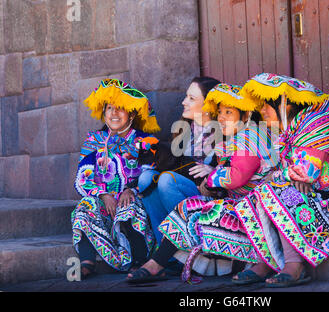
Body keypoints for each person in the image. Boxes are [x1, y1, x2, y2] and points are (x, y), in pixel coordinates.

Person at [126, 83, 278, 284]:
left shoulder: (250, 137)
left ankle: (158, 263)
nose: (221, 118)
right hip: (239, 206)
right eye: (220, 112)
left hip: (252, 214)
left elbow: (237, 177)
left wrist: (212, 177)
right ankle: (160, 262)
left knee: (191, 207)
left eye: (229, 112)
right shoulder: (236, 138)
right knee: (185, 204)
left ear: (245, 115)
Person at [231, 73, 329, 287]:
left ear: (284, 104)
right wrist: (285, 176)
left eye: (266, 106)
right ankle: (267, 261)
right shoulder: (290, 133)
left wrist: (285, 176)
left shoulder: (313, 124)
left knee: (275, 190)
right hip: (310, 198)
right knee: (257, 196)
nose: (262, 111)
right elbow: (292, 175)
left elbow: (304, 173)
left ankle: (294, 265)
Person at [71, 79, 161, 278]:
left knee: (130, 206)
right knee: (85, 206)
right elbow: (82, 178)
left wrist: (131, 190)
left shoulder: (144, 141)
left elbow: (152, 174)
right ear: (104, 112)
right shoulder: (94, 140)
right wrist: (102, 195)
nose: (113, 113)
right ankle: (87, 260)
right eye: (110, 108)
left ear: (131, 113)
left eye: (120, 109)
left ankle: (140, 260)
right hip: (104, 202)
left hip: (134, 199)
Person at [138, 76, 221, 245]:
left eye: (191, 98)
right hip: (181, 189)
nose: (184, 102)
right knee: (146, 179)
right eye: (186, 96)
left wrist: (214, 172)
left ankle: (188, 243)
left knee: (167, 180)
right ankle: (167, 253)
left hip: (208, 195)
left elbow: (235, 167)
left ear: (208, 105)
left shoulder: (224, 131)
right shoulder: (183, 132)